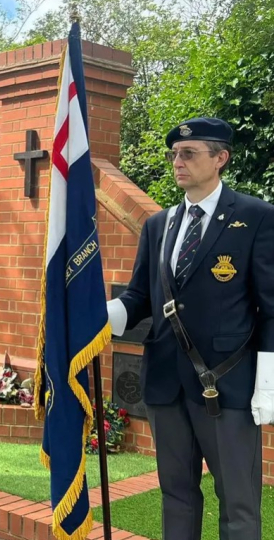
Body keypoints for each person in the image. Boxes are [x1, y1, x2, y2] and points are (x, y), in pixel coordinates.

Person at [107, 117, 274, 540]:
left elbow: (271, 307)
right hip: (166, 382)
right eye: (174, 155)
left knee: (237, 501)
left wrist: (268, 384)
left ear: (221, 158)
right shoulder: (158, 225)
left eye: (189, 153)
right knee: (176, 495)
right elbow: (139, 299)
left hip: (227, 384)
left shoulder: (256, 217)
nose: (177, 162)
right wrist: (97, 316)